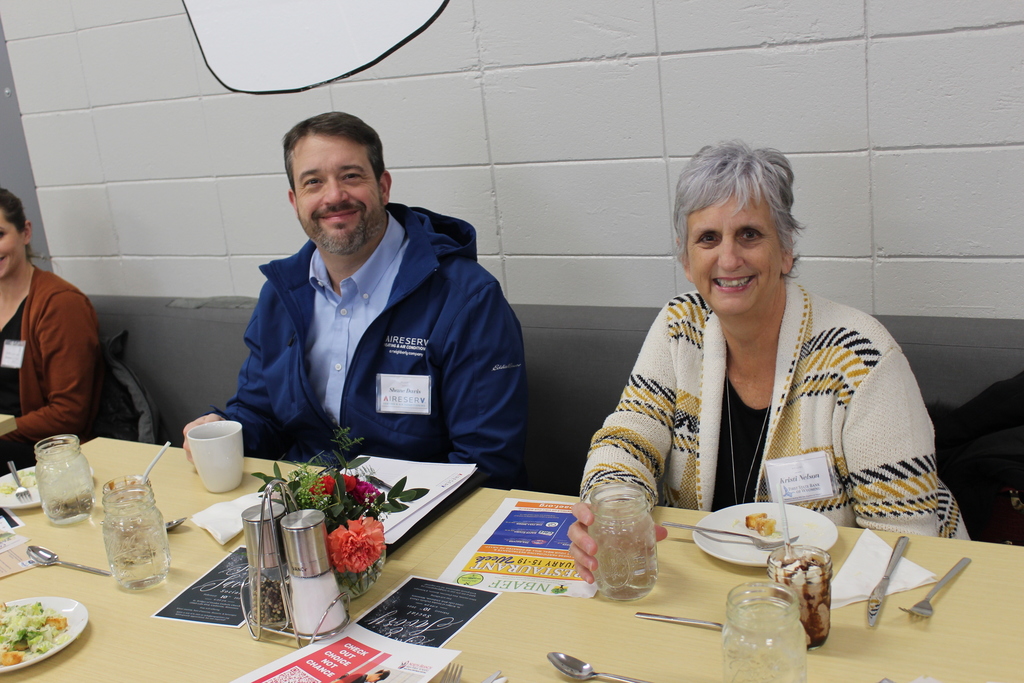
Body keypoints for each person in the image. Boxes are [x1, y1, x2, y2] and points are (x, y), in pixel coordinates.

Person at [569, 141, 966, 582]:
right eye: (708, 238)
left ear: (785, 250)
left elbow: (902, 545)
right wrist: (611, 515)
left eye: (750, 235)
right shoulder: (681, 327)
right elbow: (627, 439)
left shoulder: (861, 357)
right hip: (718, 590)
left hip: (862, 597)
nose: (729, 258)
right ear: (687, 259)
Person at [183, 112, 528, 487]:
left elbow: (485, 465)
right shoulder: (282, 295)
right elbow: (263, 415)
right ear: (295, 200)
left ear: (383, 186)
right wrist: (225, 429)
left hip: (419, 510)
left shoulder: (466, 299)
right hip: (309, 507)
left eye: (350, 176)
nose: (334, 196)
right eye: (313, 182)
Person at [0, 188, 103, 469]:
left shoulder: (60, 304)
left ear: (26, 232)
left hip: (47, 451)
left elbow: (68, 415)